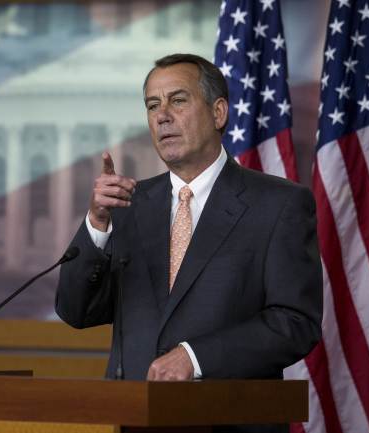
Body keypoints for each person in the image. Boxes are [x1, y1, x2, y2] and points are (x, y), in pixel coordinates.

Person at [55, 54, 322, 389]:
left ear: (218, 112)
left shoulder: (279, 205)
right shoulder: (127, 205)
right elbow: (76, 311)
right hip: (134, 415)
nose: (162, 116)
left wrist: (196, 358)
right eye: (152, 106)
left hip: (228, 418)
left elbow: (295, 323)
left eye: (177, 101)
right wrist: (96, 222)